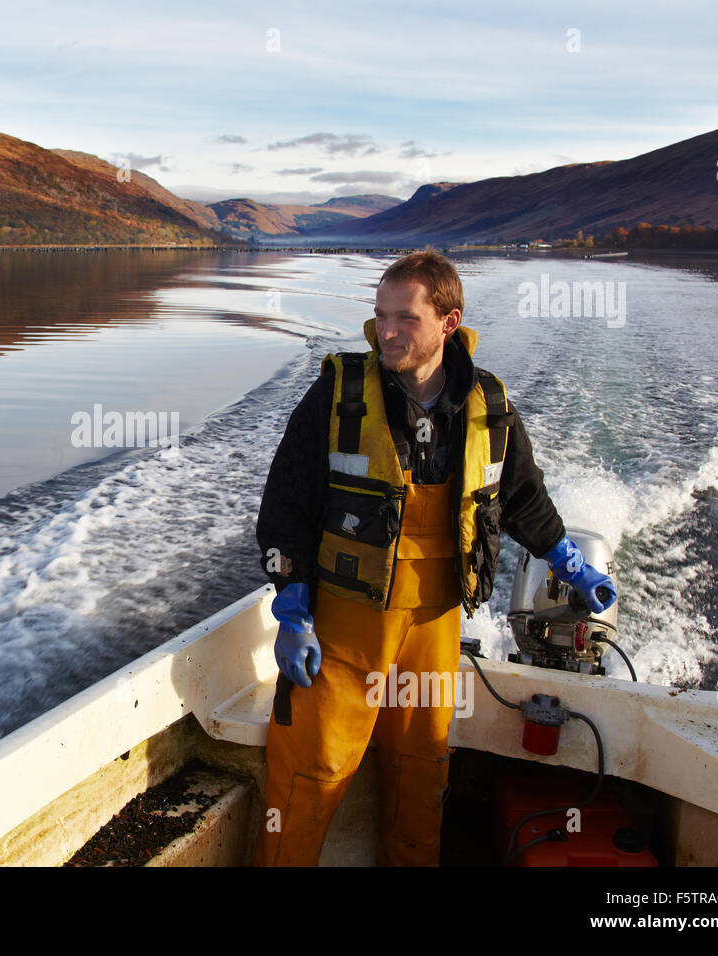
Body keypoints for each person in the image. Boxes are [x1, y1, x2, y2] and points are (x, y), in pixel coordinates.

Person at [252, 250, 616, 867]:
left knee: (422, 777)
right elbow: (285, 502)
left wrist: (572, 565)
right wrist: (292, 606)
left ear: (449, 322)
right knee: (311, 773)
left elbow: (522, 498)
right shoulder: (337, 396)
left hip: (436, 627)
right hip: (345, 627)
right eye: (379, 316)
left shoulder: (491, 407)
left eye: (405, 318)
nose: (386, 332)